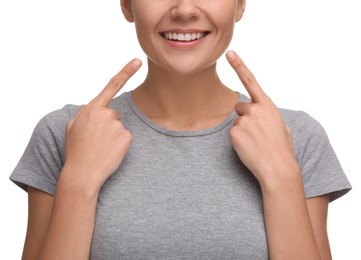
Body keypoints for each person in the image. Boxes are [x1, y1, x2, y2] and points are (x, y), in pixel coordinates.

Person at [10, 0, 351, 259]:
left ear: (240, 4)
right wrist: (79, 180)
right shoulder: (67, 131)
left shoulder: (295, 135)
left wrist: (281, 177)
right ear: (127, 5)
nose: (185, 10)